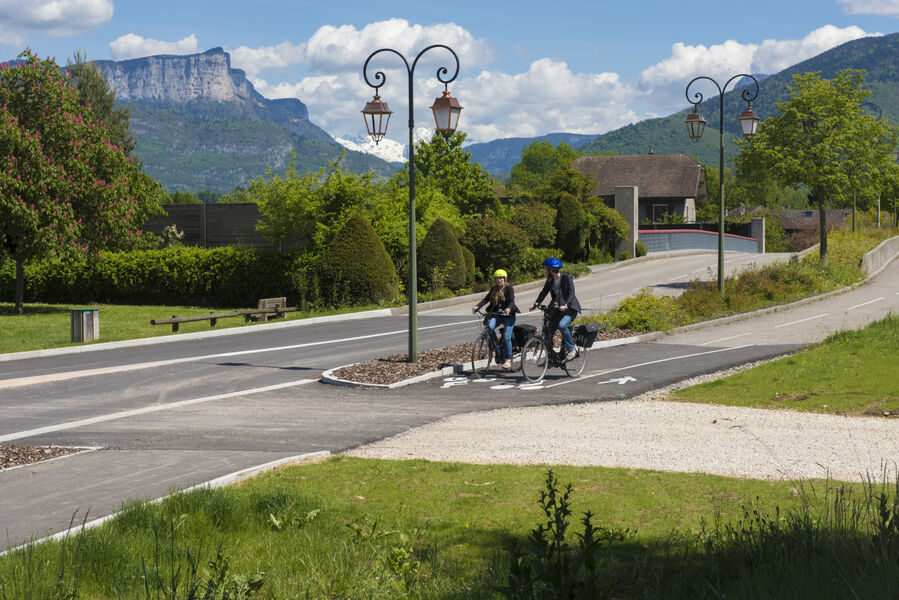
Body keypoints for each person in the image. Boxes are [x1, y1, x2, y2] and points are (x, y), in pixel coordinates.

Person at [529, 257, 582, 361]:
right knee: (548, 330)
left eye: (546, 268)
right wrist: (536, 303)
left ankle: (572, 349)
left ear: (551, 270)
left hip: (570, 309)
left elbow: (571, 293)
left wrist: (566, 304)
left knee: (562, 325)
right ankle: (552, 357)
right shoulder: (550, 280)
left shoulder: (567, 277)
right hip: (558, 310)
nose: (545, 270)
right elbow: (543, 292)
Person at [472, 269, 520, 369]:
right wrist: (477, 306)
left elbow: (512, 301)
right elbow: (486, 299)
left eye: (501, 278)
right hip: (497, 315)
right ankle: (496, 349)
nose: (499, 280)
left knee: (506, 337)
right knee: (489, 327)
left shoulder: (509, 288)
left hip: (509, 316)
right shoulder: (494, 289)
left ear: (505, 279)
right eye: (497, 278)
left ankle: (508, 359)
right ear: (495, 279)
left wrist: (508, 308)